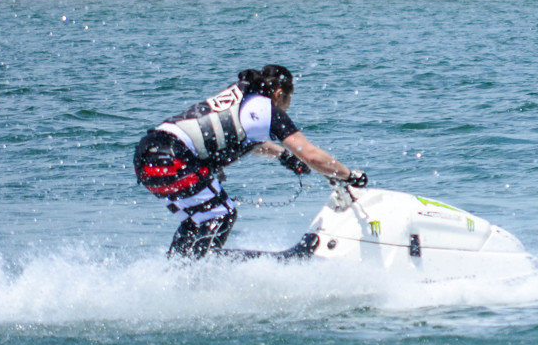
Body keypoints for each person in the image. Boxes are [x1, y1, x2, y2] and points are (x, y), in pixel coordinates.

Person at [133, 65, 367, 259]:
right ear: (278, 92)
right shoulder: (267, 109)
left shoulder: (240, 97)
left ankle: (174, 272)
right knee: (222, 213)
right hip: (172, 156)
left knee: (197, 221)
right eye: (289, 96)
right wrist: (350, 175)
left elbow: (238, 137)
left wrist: (283, 156)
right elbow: (310, 154)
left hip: (149, 154)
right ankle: (197, 278)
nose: (288, 103)